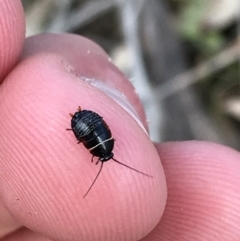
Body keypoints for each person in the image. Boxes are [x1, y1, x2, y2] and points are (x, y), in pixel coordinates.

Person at [0, 1, 240, 240]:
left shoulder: (107, 146)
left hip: (87, 122)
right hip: (85, 123)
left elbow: (99, 130)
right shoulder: (106, 147)